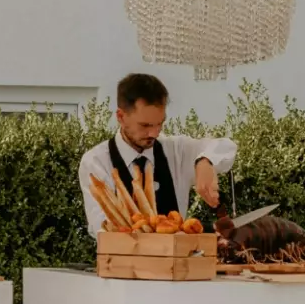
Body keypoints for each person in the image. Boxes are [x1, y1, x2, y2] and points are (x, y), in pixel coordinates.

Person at [78, 73, 236, 237]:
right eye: (145, 125)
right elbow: (102, 227)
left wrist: (205, 161)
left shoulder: (176, 151)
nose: (154, 133)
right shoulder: (96, 162)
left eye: (160, 124)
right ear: (121, 117)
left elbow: (227, 146)